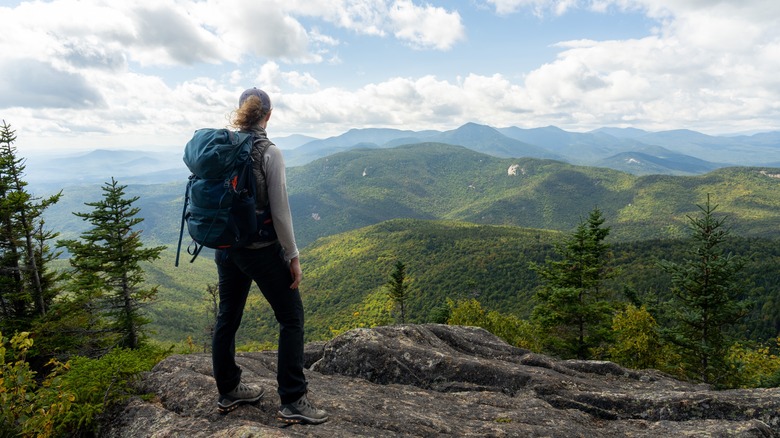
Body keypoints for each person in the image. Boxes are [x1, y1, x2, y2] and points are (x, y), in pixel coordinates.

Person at [211, 87, 328, 425]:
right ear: (269, 115)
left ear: (240, 112)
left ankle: (229, 389)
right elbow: (281, 213)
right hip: (260, 250)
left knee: (227, 316)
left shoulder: (223, 147)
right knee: (291, 318)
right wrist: (292, 255)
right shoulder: (269, 152)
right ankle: (292, 399)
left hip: (225, 248)